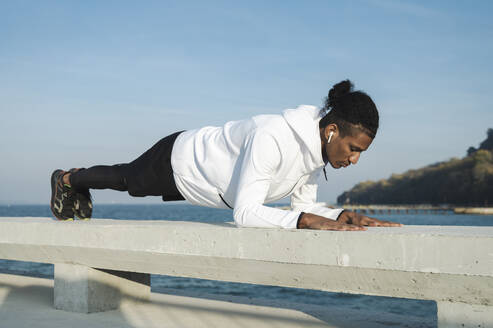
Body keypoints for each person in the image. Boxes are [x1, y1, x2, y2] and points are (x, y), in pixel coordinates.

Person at [50, 80, 402, 230]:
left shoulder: (313, 154)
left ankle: (74, 179)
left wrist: (342, 215)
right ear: (332, 131)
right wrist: (307, 222)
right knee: (127, 180)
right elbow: (246, 213)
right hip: (181, 158)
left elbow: (301, 208)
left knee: (128, 180)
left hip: (207, 184)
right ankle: (68, 179)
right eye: (354, 149)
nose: (354, 160)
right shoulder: (273, 137)